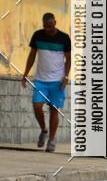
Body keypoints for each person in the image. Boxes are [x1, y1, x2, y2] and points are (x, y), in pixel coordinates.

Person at [21, 13, 71, 152]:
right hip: (41, 80)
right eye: (45, 26)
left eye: (50, 25)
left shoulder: (64, 38)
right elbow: (32, 55)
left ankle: (52, 140)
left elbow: (69, 58)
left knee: (54, 110)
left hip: (57, 80)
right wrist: (25, 74)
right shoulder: (37, 35)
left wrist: (66, 76)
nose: (48, 29)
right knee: (37, 106)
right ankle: (44, 130)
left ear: (55, 22)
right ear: (43, 24)